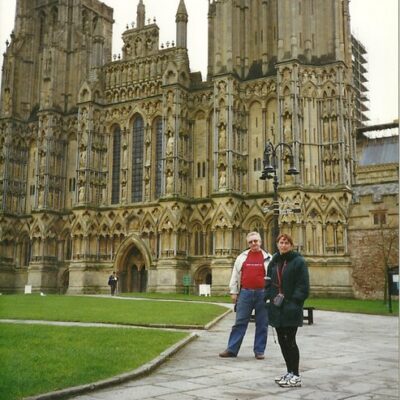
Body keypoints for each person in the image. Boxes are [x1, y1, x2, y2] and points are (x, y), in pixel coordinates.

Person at [265, 233, 309, 388]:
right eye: (281, 242)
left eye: (286, 243)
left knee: (290, 341)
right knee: (282, 342)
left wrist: (295, 302)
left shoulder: (298, 261)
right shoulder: (274, 261)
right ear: (277, 244)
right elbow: (268, 281)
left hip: (290, 307)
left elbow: (303, 286)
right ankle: (289, 372)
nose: (283, 245)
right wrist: (267, 298)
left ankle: (296, 375)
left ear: (291, 245)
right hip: (277, 307)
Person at [219, 231, 272, 359]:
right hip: (245, 293)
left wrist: (271, 293)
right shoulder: (242, 257)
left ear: (260, 241)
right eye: (251, 242)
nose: (254, 243)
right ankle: (232, 349)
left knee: (262, 323)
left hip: (262, 294)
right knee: (240, 322)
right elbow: (235, 275)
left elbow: (273, 277)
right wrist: (233, 292)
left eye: (256, 241)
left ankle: (259, 351)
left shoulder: (269, 258)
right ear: (248, 243)